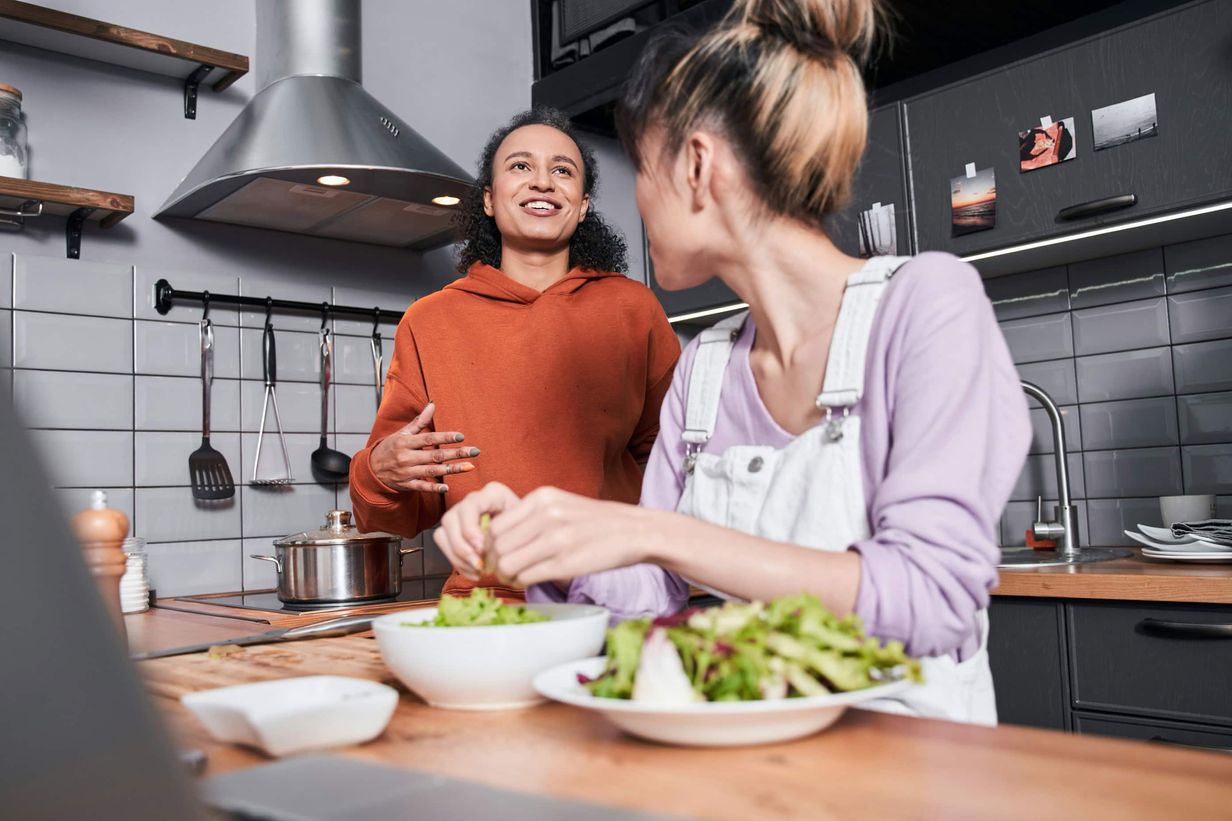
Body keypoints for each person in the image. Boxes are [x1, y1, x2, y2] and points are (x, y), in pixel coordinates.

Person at [435, 0, 1031, 725]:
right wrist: (546, 544)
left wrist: (650, 530)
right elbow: (657, 588)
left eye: (640, 173)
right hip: (749, 771)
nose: (637, 205)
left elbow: (931, 600)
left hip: (914, 772)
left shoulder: (927, 304)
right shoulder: (707, 366)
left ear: (695, 166)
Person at [349, 108, 680, 601]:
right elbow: (397, 511)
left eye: (562, 170)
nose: (543, 182)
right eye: (521, 167)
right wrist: (378, 470)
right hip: (485, 604)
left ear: (583, 204)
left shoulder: (634, 308)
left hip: (615, 594)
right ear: (488, 199)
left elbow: (670, 464)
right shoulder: (429, 321)